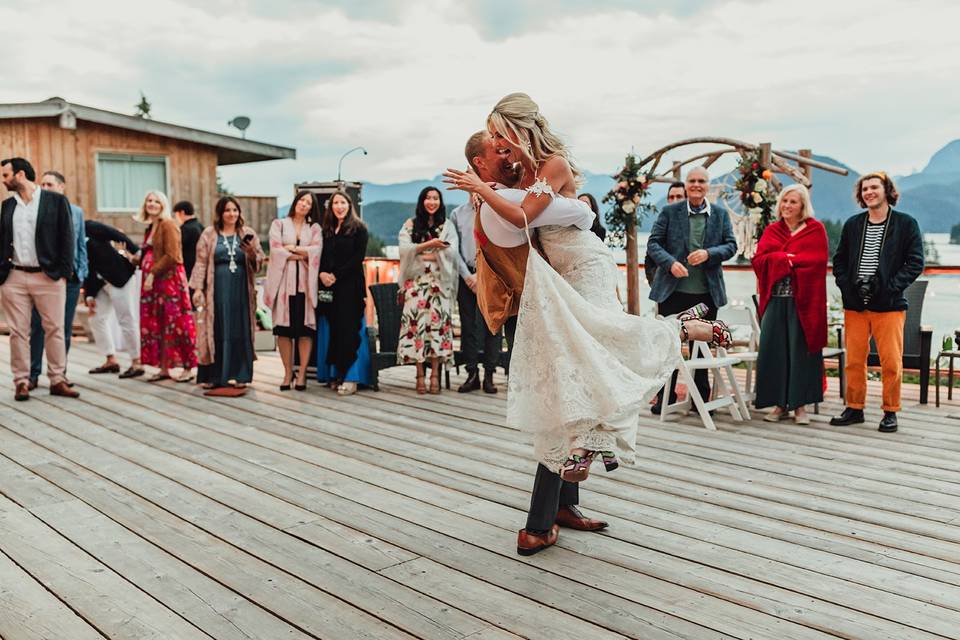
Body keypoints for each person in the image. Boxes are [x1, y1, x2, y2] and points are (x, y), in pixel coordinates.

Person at [444, 94, 730, 555]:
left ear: (519, 131)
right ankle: (561, 506)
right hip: (558, 275)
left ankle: (685, 329)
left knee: (597, 355)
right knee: (576, 371)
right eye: (492, 138)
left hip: (584, 264)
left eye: (500, 133)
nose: (497, 143)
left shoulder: (552, 165)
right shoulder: (520, 174)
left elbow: (522, 215)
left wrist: (480, 189)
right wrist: (488, 188)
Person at [829, 172, 924, 433]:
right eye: (864, 189)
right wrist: (847, 288)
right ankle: (854, 408)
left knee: (891, 362)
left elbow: (915, 262)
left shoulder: (906, 224)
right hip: (855, 305)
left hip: (889, 305)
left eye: (874, 187)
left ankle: (890, 411)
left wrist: (890, 288)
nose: (869, 192)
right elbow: (839, 261)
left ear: (886, 191)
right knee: (853, 360)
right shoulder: (853, 225)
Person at [647, 167, 737, 414]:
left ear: (708, 185)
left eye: (701, 181)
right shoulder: (669, 212)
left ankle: (701, 399)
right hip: (673, 292)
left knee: (702, 347)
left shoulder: (719, 214)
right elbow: (653, 243)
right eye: (692, 181)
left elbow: (731, 246)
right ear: (686, 185)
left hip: (707, 293)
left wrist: (710, 253)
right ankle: (665, 396)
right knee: (669, 346)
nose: (696, 185)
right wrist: (670, 263)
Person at [0, 157, 80, 400]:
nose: (3, 180)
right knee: (18, 332)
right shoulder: (7, 206)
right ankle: (22, 381)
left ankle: (57, 379)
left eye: (6, 175)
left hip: (48, 276)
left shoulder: (55, 201)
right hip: (14, 276)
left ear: (20, 175)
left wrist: (63, 275)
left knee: (55, 328)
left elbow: (67, 238)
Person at [751, 184, 828, 425]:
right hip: (775, 300)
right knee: (773, 351)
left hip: (803, 302)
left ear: (803, 206)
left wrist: (787, 260)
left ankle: (800, 406)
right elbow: (759, 259)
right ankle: (778, 404)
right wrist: (784, 259)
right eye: (784, 201)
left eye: (793, 202)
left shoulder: (815, 230)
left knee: (801, 352)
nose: (787, 206)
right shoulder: (773, 230)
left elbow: (817, 260)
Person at [190, 196, 264, 391]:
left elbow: (258, 263)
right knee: (216, 327)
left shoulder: (247, 233)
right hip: (217, 289)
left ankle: (241, 374)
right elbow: (200, 262)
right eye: (227, 210)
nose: (232, 214)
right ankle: (215, 375)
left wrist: (250, 254)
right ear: (220, 213)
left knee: (240, 327)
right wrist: (198, 288)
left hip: (241, 290)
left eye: (235, 210)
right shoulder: (209, 234)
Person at [397, 187, 459, 394]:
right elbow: (404, 250)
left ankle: (434, 374)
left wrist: (420, 250)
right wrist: (431, 245)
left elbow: (452, 251)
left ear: (440, 202)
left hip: (439, 285)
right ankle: (419, 374)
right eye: (427, 198)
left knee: (437, 330)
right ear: (421, 201)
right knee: (417, 329)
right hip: (416, 285)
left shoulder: (447, 225)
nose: (431, 202)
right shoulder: (410, 224)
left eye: (435, 198)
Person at [29, 170, 87, 389]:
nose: (44, 188)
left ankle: (59, 374)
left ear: (62, 187)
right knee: (38, 325)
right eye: (42, 184)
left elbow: (81, 244)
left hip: (71, 278)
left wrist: (82, 272)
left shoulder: (77, 212)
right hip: (44, 277)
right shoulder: (36, 211)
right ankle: (33, 374)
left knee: (63, 327)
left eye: (50, 185)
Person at [135, 190, 197, 383]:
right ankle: (164, 368)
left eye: (156, 201)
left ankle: (188, 366)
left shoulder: (168, 225)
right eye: (149, 201)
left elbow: (172, 255)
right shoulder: (151, 227)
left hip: (169, 282)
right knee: (158, 323)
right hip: (154, 284)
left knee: (177, 323)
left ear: (163, 205)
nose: (152, 204)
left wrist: (152, 273)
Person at [264, 191, 322, 391]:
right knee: (284, 331)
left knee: (305, 331)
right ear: (295, 202)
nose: (304, 204)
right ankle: (288, 372)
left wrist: (293, 250)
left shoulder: (314, 228)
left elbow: (317, 251)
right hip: (283, 286)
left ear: (311, 208)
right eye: (301, 200)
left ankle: (302, 373)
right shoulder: (279, 224)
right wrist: (303, 253)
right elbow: (276, 250)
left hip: (306, 286)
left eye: (308, 202)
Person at [316, 190, 371, 396]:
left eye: (343, 203)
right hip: (329, 288)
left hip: (350, 287)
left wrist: (335, 275)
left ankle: (352, 377)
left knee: (350, 330)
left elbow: (357, 258)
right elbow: (321, 256)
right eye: (336, 203)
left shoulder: (359, 229)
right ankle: (336, 373)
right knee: (334, 330)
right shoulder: (327, 230)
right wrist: (322, 273)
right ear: (331, 207)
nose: (339, 207)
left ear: (350, 206)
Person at [450, 183, 502, 394]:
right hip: (467, 276)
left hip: (491, 276)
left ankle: (490, 375)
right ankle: (472, 373)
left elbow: (500, 245)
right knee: (468, 326)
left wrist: (484, 276)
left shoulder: (497, 211)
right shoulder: (457, 214)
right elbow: (454, 248)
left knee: (492, 326)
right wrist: (468, 276)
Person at [84, 220, 144, 379]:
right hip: (98, 284)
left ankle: (136, 361)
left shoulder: (89, 226)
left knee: (126, 318)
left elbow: (115, 234)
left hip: (120, 276)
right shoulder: (64, 237)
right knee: (96, 318)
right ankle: (111, 359)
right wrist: (89, 294)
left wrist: (135, 250)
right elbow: (82, 266)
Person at [644, 181, 686, 285]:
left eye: (679, 196)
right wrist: (655, 284)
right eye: (671, 197)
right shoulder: (659, 225)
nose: (674, 200)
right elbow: (650, 258)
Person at [174, 200, 204, 288]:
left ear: (181, 213)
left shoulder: (185, 229)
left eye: (175, 215)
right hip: (200, 270)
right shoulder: (201, 226)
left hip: (188, 271)